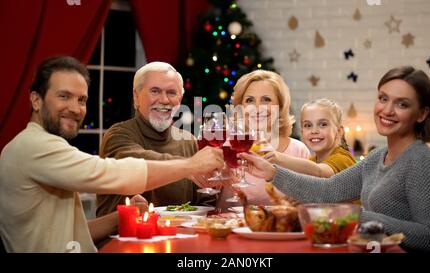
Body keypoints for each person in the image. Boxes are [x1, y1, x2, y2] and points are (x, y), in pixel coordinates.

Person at [0, 56, 224, 253]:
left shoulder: (40, 146)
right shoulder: (36, 147)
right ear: (36, 100)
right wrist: (191, 166)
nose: (76, 108)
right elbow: (114, 171)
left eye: (82, 100)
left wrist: (124, 216)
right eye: (64, 96)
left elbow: (72, 235)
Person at [241, 66, 430, 252]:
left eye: (402, 104)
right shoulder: (377, 157)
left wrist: (361, 217)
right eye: (383, 98)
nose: (387, 110)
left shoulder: (420, 161)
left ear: (422, 114)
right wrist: (272, 173)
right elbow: (328, 191)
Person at [96, 62, 215, 218]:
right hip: (123, 239)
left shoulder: (188, 141)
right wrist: (190, 166)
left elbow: (206, 202)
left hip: (179, 237)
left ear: (180, 100)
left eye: (172, 92)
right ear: (136, 97)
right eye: (155, 91)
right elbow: (136, 163)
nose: (164, 100)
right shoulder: (117, 135)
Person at [216, 70, 310, 207]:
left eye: (266, 100)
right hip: (226, 226)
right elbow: (206, 193)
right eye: (250, 100)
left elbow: (309, 201)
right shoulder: (227, 147)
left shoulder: (299, 151)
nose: (258, 108)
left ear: (280, 106)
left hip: (279, 227)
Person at [264, 98, 356, 178]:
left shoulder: (343, 159)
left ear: (339, 131)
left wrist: (278, 157)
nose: (314, 131)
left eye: (323, 124)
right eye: (308, 125)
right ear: (302, 131)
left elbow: (319, 171)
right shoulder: (311, 161)